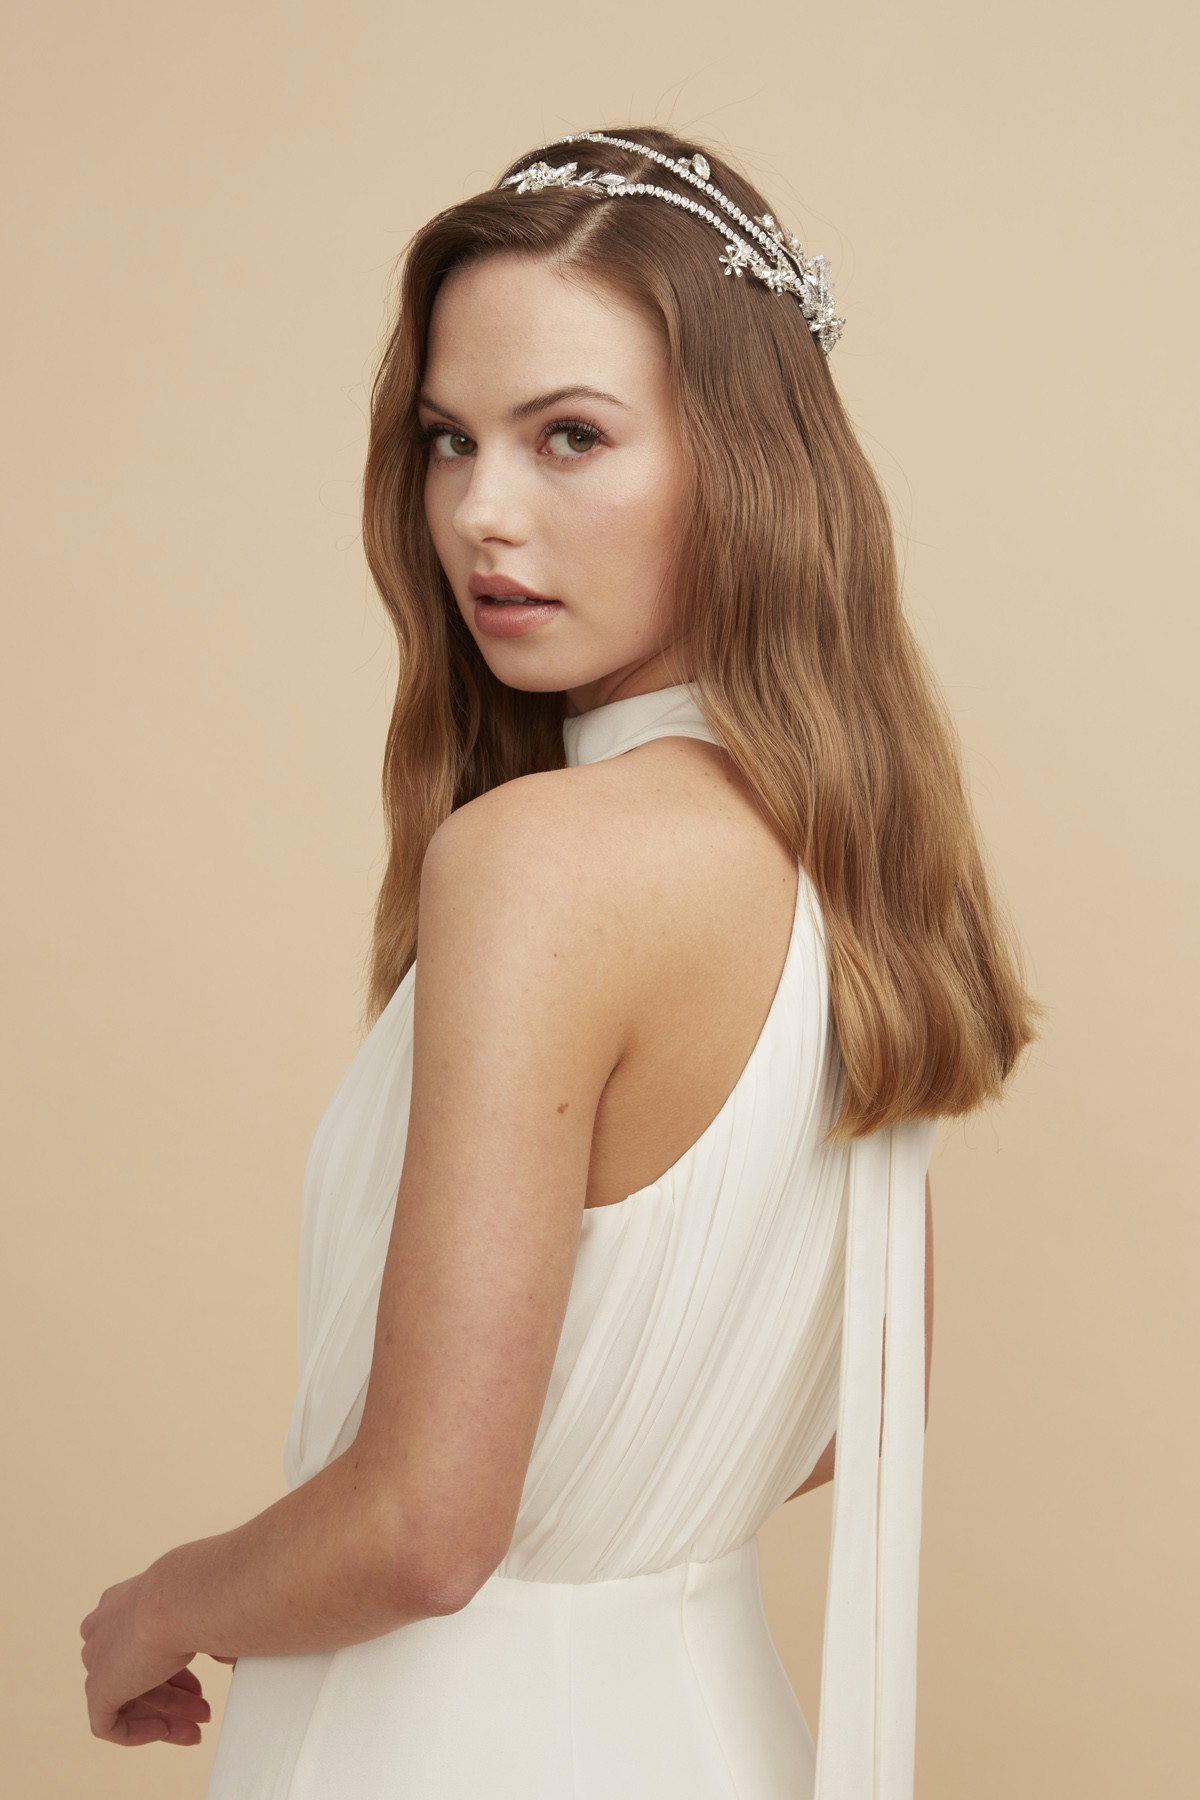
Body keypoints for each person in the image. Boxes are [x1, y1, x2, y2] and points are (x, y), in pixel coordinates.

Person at [79, 125, 1041, 1798]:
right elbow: (850, 1414)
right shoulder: (856, 859)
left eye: (570, 436)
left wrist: (153, 1609)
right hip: (717, 1731)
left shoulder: (538, 862)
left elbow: (421, 1528)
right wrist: (629, 1525)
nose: (480, 513)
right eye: (449, 440)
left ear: (744, 464)